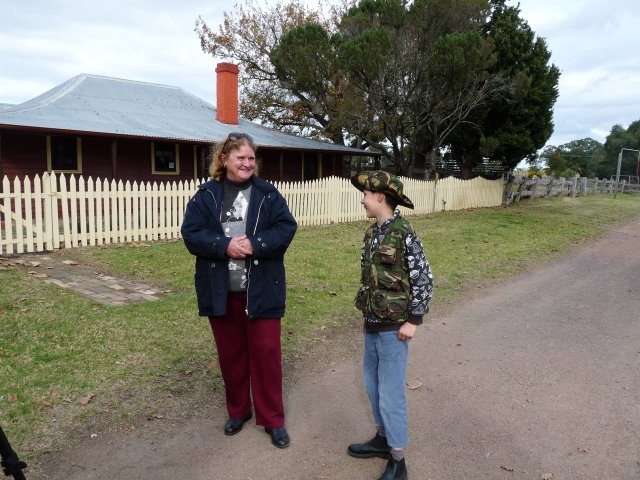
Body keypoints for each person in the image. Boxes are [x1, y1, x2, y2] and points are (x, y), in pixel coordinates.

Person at [181, 132, 297, 449]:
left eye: (250, 158)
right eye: (240, 157)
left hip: (261, 291)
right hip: (220, 290)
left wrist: (256, 244)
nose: (247, 163)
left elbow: (286, 228)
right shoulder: (206, 195)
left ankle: (273, 420)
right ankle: (238, 411)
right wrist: (224, 245)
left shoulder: (268, 195)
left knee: (267, 356)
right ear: (224, 159)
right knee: (231, 356)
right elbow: (191, 234)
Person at [348, 171, 434, 480]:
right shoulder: (371, 234)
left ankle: (398, 459)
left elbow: (424, 278)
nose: (363, 199)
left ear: (380, 197)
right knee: (372, 388)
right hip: (372, 325)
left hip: (395, 328)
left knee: (391, 393)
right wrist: (366, 317)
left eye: (367, 195)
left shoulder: (403, 231)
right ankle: (382, 440)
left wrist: (414, 319)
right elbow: (367, 279)